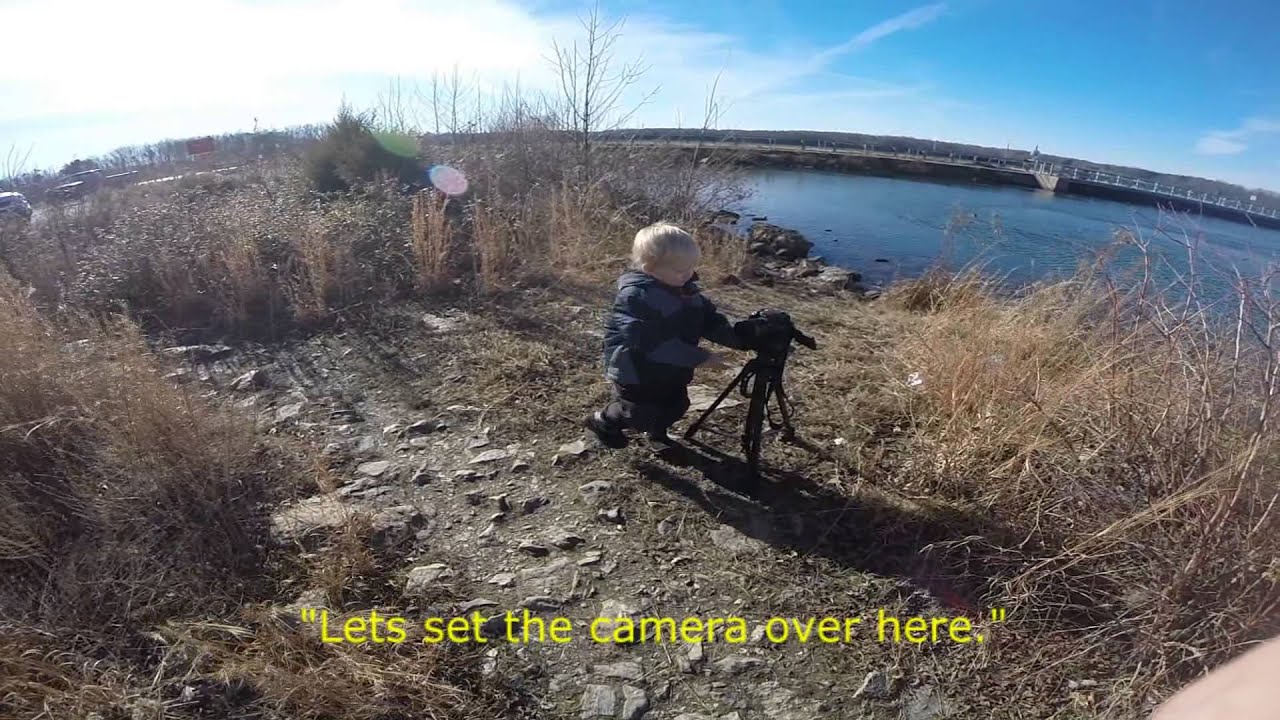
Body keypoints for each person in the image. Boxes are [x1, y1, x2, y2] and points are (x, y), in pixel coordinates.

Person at [585, 222, 748, 448]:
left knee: (676, 405)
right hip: (636, 369)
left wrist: (739, 339)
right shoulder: (635, 297)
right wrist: (700, 358)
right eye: (680, 270)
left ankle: (657, 433)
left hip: (673, 367)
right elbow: (650, 342)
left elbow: (707, 319)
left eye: (691, 267)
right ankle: (604, 420)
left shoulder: (686, 290)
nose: (688, 275)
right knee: (638, 411)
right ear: (649, 267)